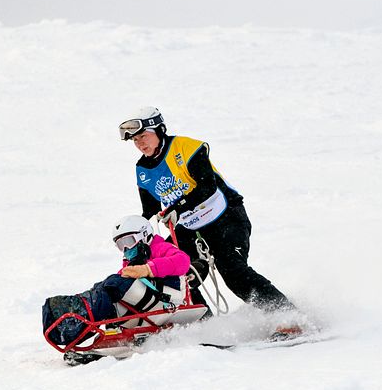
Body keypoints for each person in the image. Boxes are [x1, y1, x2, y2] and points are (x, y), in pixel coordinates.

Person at [118, 106, 294, 315]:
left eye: (144, 136)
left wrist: (178, 207)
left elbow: (206, 186)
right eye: (135, 140)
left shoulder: (186, 147)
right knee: (170, 271)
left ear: (159, 130)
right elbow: (150, 211)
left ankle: (287, 315)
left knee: (232, 270)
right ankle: (205, 326)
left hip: (226, 217)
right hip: (190, 228)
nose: (140, 144)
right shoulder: (143, 170)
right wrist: (135, 238)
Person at [42, 215, 191, 345]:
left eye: (129, 241)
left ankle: (81, 316)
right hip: (149, 300)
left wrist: (147, 269)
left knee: (113, 284)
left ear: (144, 235)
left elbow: (182, 261)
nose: (126, 248)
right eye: (121, 245)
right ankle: (77, 313)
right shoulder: (132, 260)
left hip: (167, 299)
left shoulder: (160, 247)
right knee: (104, 287)